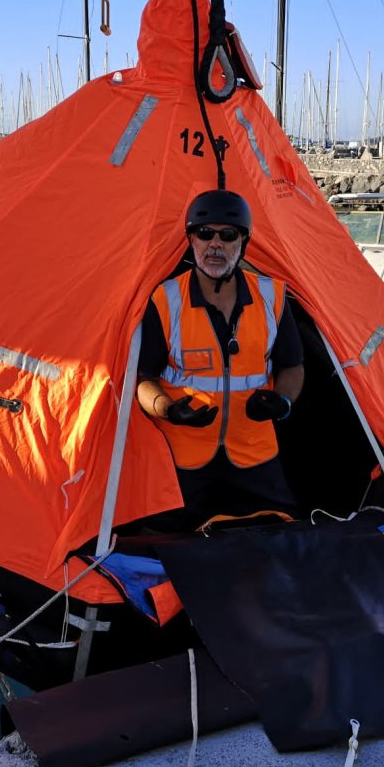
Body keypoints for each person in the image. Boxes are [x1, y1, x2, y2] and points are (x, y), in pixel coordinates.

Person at [136, 189, 304, 530]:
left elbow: (292, 365)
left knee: (282, 530)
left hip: (254, 450)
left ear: (243, 242)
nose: (215, 245)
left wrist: (282, 401)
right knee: (163, 540)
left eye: (227, 235)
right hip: (183, 455)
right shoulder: (164, 300)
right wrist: (168, 409)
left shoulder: (272, 296)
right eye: (204, 234)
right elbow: (143, 379)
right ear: (191, 241)